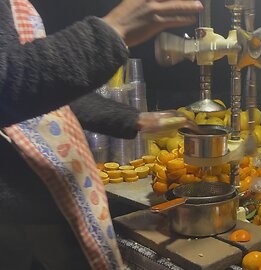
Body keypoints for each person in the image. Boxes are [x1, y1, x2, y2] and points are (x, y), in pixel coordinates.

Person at [0, 0, 203, 269]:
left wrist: (135, 119)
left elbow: (53, 95)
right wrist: (109, 31)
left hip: (53, 198)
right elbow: (9, 82)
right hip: (17, 218)